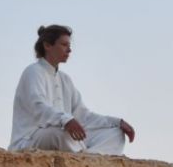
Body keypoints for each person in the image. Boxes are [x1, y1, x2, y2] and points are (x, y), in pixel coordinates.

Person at [9, 24, 136, 154]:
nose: (69, 50)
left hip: (67, 137)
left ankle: (89, 157)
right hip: (32, 138)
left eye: (69, 46)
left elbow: (83, 116)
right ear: (47, 45)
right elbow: (38, 107)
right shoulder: (33, 71)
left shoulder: (65, 79)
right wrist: (66, 120)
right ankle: (85, 155)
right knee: (59, 134)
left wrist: (117, 122)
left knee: (115, 133)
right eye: (64, 45)